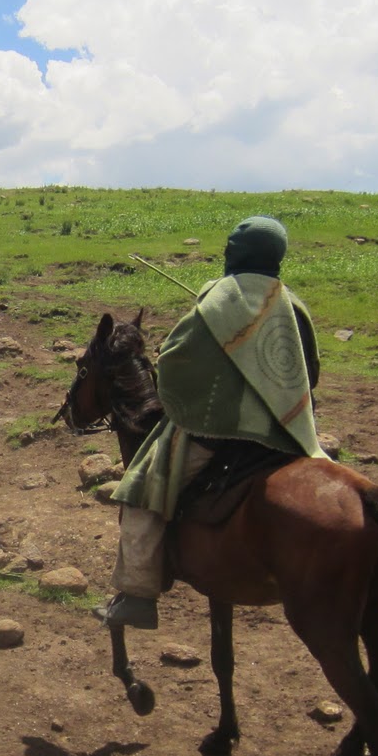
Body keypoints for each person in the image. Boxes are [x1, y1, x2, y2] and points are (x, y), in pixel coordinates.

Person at [100, 215, 326, 629]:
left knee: (140, 492)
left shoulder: (219, 300)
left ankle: (138, 595)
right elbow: (309, 372)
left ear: (235, 254)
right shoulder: (293, 305)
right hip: (286, 433)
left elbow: (174, 364)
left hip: (217, 432)